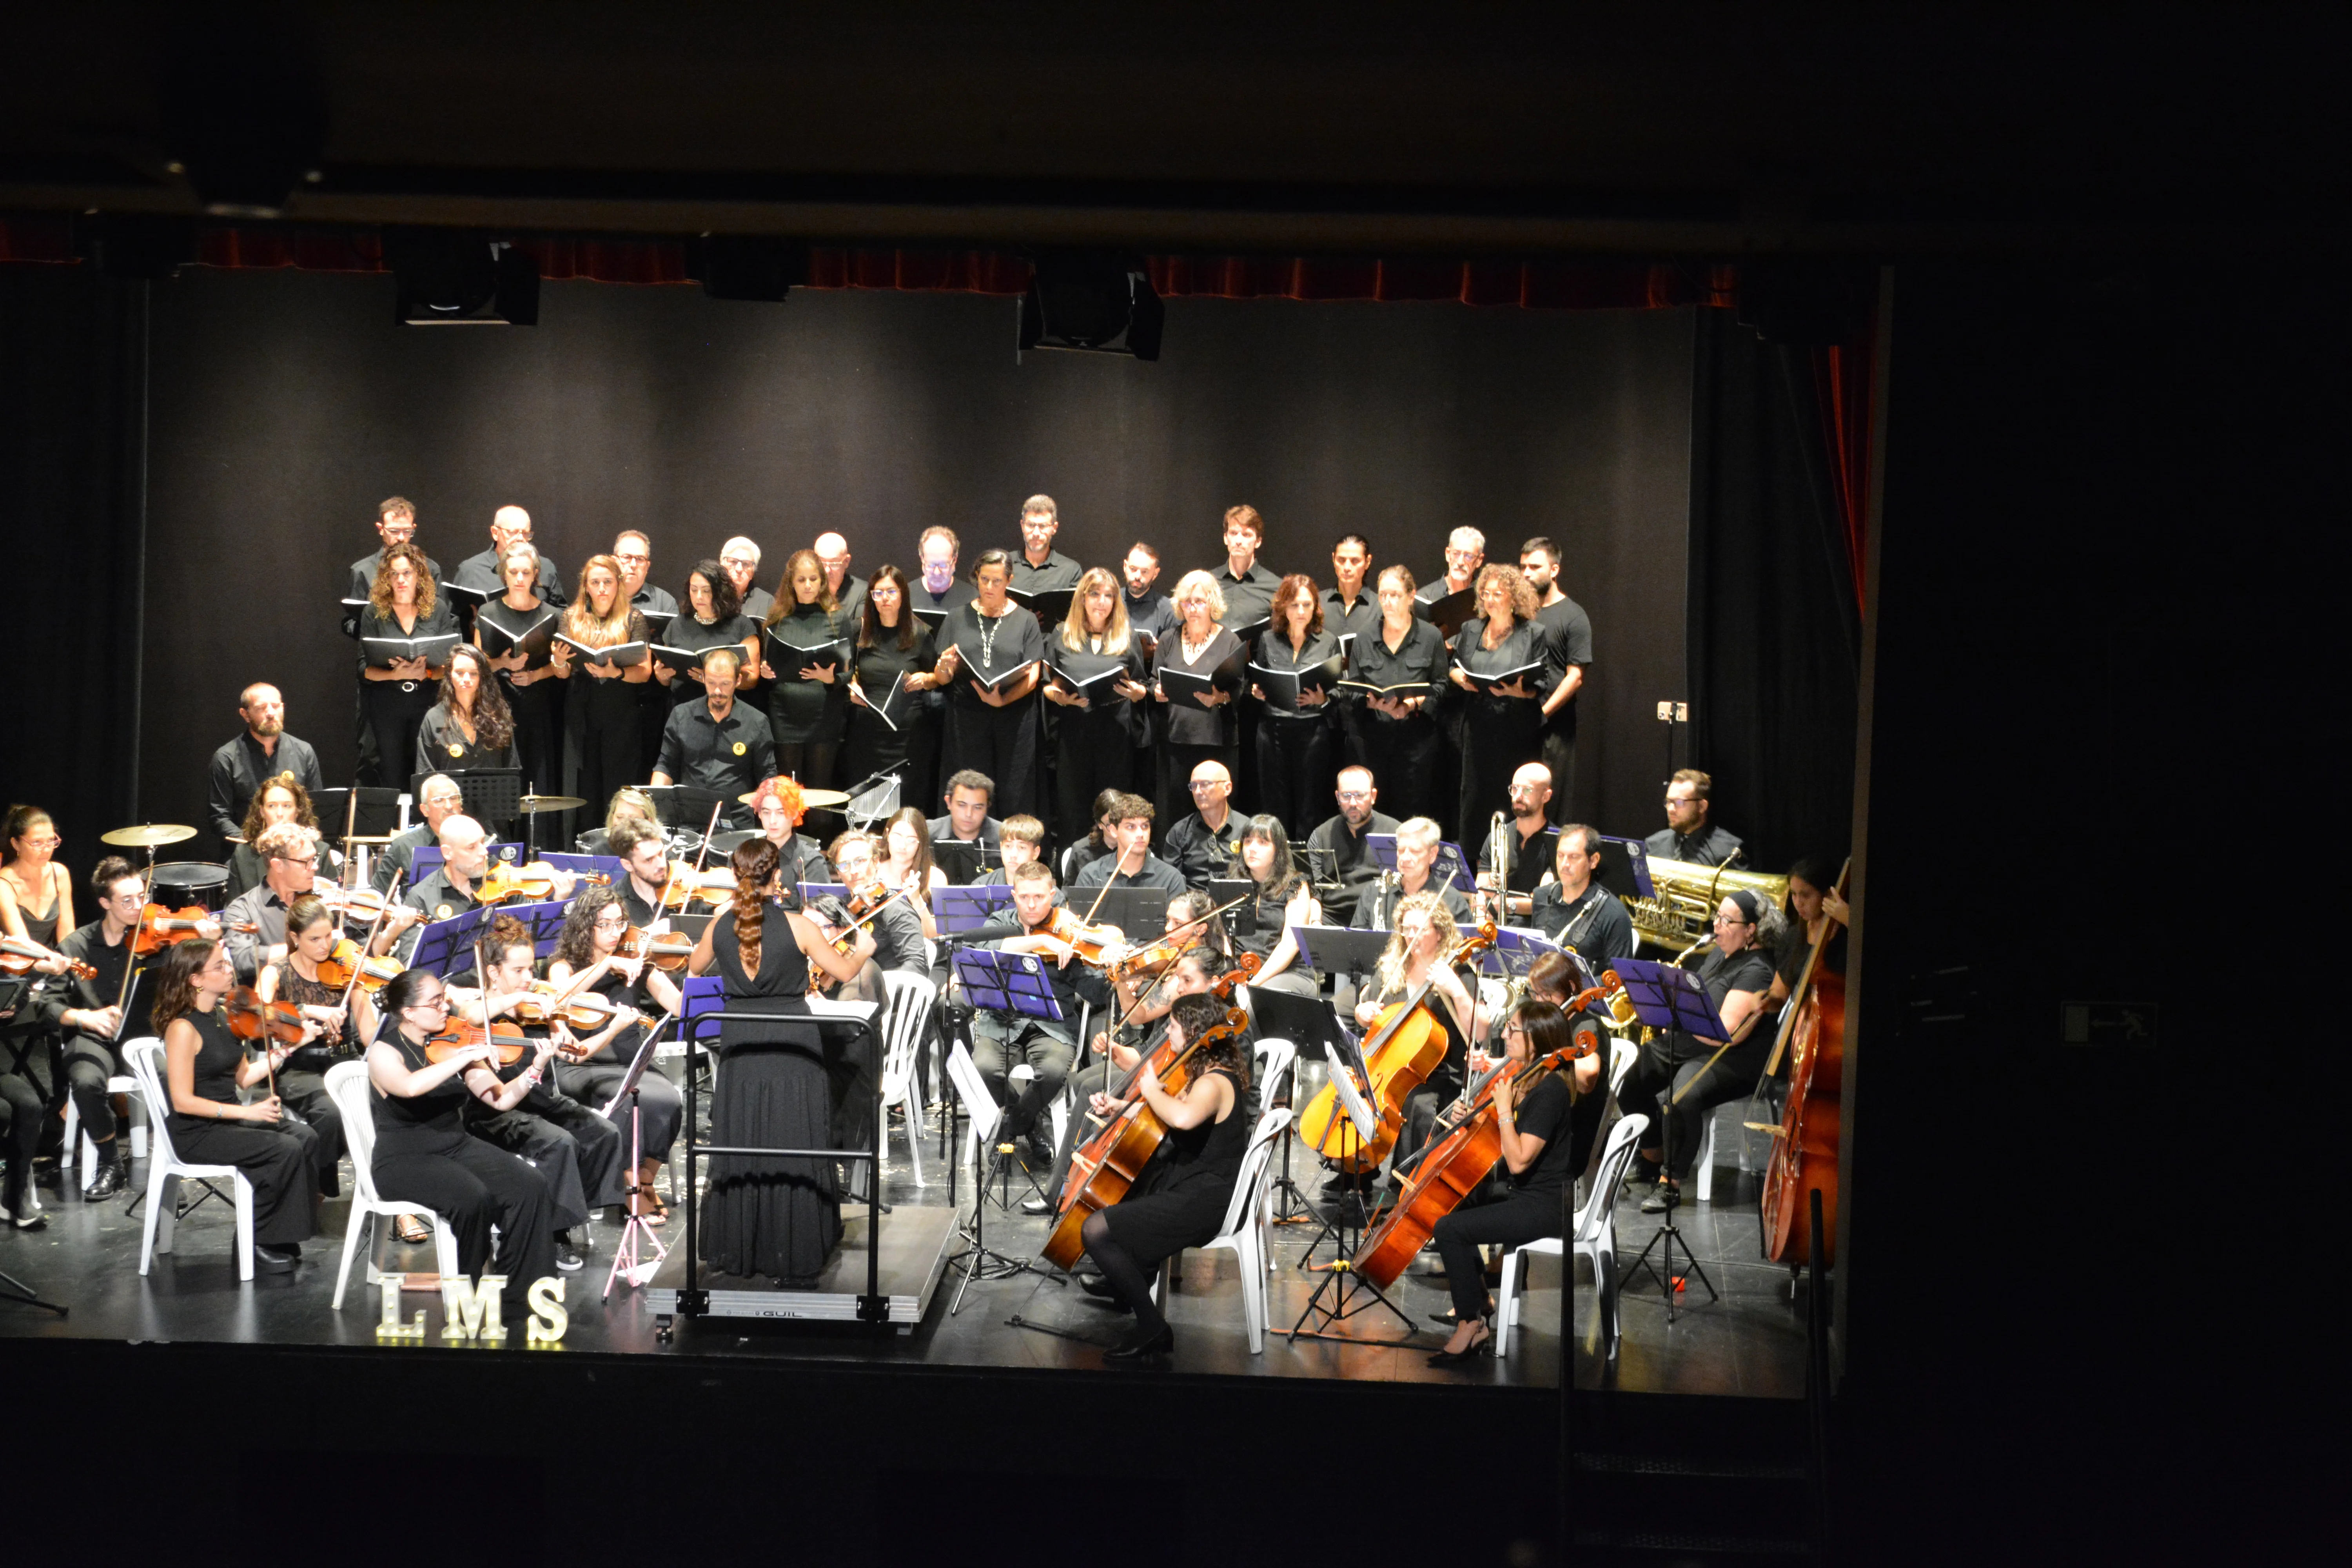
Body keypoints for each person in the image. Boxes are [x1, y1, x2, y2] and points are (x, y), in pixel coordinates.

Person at [678, 838, 875, 1282]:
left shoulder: (719, 926)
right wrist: (864, 946)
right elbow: (845, 972)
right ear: (778, 877)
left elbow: (694, 968)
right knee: (793, 1139)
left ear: (736, 876)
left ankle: (740, 1244)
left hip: (741, 1048)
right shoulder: (800, 926)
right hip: (793, 1047)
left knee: (745, 1138)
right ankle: (795, 1245)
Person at [365, 967, 558, 1323]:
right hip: (403, 1159)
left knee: (530, 1185)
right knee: (473, 1198)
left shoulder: (454, 1040)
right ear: (409, 1012)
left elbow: (500, 1099)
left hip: (456, 1145)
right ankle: (469, 1294)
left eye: (444, 999)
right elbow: (409, 1087)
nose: (446, 1007)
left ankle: (520, 1295)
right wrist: (464, 1058)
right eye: (436, 1002)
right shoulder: (384, 1051)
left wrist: (535, 1068)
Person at [1077, 989, 1254, 1362]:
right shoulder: (1202, 1074)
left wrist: (1149, 1088)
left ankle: (1152, 1326)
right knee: (1128, 1197)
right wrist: (1121, 1107)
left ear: (1192, 1032)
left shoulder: (1214, 1082)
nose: (1167, 1033)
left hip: (1207, 1199)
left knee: (1096, 1231)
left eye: (1172, 1026)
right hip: (1193, 1183)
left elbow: (1182, 1118)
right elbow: (1167, 1118)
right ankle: (1128, 1285)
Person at [1425, 998, 1589, 1364]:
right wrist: (1472, 1117)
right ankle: (1480, 1299)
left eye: (1513, 1029)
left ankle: (1470, 1324)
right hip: (1525, 1194)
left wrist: (1502, 1110)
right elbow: (1504, 1142)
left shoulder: (1550, 1091)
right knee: (1457, 1200)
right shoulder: (1531, 1079)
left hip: (1543, 1207)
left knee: (1449, 1229)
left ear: (1536, 1039)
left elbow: (1517, 1161)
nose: (1504, 1035)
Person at [465, 915, 625, 1272]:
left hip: (540, 1100)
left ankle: (565, 1213)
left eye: (531, 969)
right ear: (493, 973)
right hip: (496, 1112)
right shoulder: (478, 1007)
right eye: (518, 971)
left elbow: (574, 1054)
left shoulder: (540, 1006)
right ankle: (554, 1234)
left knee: (605, 1133)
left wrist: (610, 1028)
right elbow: (471, 1014)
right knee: (559, 1143)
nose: (529, 977)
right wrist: (521, 996)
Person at [1025, 942, 1229, 1218]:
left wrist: (1145, 1090)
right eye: (1178, 980)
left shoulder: (1218, 1027)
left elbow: (1186, 1092)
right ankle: (1068, 1189)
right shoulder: (1184, 1013)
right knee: (1087, 1084)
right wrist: (1113, 1049)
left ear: (1214, 982)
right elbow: (1146, 1056)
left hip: (1192, 1124)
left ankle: (1079, 1191)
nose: (1179, 988)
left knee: (1091, 1089)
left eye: (1187, 981)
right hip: (1166, 1092)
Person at [154, 939, 322, 1269]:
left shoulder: (223, 1017)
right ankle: (255, 1240)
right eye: (220, 966)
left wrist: (290, 1048)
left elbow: (245, 1078)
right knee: (284, 1148)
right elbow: (183, 1101)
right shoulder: (182, 1028)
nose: (229, 970)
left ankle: (281, 1234)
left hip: (228, 1122)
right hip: (198, 1132)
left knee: (306, 1137)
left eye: (227, 963)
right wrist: (248, 1112)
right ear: (196, 979)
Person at [1617, 891, 1782, 1210]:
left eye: (1726, 921)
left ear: (1751, 930)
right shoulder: (1721, 954)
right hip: (1693, 1042)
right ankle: (1653, 1155)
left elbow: (1727, 1033)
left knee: (1681, 1097)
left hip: (1730, 1057)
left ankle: (1670, 1183)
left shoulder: (1758, 969)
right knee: (1628, 1075)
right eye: (1717, 917)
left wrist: (1677, 1013)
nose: (1716, 926)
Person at [545, 886, 687, 1222]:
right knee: (629, 1102)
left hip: (631, 1064)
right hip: (583, 1066)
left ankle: (645, 1180)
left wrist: (694, 971)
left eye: (620, 923)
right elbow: (560, 996)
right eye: (605, 925)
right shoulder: (564, 966)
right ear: (586, 927)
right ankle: (627, 1186)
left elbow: (680, 1006)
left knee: (669, 1100)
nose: (615, 932)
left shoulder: (639, 964)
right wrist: (608, 964)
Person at [960, 859, 1109, 1167]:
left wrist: (1111, 972)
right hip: (1001, 1020)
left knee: (1053, 1072)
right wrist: (1040, 941)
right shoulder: (1000, 921)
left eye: (1039, 897)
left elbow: (1093, 992)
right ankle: (1032, 1127)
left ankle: (1009, 1130)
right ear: (1014, 895)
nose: (1031, 905)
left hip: (1052, 1024)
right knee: (984, 1069)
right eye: (1024, 897)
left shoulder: (1069, 931)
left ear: (1052, 894)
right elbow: (987, 950)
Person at [1352, 890, 1482, 1193]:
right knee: (1356, 1090)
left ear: (1440, 933)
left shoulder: (1456, 972)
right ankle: (1356, 1171)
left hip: (1437, 1074)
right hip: (1391, 1066)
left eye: (1420, 929)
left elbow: (1482, 1029)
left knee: (1418, 1104)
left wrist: (1457, 991)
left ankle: (1408, 1187)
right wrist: (1362, 1013)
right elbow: (1367, 1008)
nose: (1411, 936)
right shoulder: (1393, 967)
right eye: (1406, 928)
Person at [251, 893, 377, 1196]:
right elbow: (256, 1019)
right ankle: (317, 1189)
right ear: (295, 938)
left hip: (346, 1062)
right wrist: (306, 1010)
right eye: (314, 939)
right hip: (300, 1068)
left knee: (390, 1106)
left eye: (329, 937)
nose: (325, 946)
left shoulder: (346, 970)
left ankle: (393, 1198)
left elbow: (368, 1036)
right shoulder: (276, 973)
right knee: (331, 1114)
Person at [50, 857, 146, 1198]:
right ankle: (110, 1164)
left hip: (144, 1037)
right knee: (86, 1081)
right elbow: (49, 1004)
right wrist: (84, 1018)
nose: (138, 907)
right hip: (95, 1037)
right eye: (127, 901)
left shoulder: (154, 940)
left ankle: (174, 1163)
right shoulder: (76, 946)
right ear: (105, 903)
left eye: (142, 897)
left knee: (177, 1074)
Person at [1448, 562, 1562, 849]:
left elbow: (1542, 682)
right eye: (1485, 593)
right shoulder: (1471, 629)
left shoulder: (1532, 632)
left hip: (1515, 730)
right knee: (1475, 799)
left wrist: (1519, 692)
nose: (1491, 600)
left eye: (1498, 594)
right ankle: (1477, 862)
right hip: (1478, 729)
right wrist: (1460, 679)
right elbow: (1454, 667)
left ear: (1514, 597)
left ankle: (1514, 858)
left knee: (1511, 798)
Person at [1045, 566, 1153, 849]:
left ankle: (1115, 865)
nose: (1101, 602)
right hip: (1074, 733)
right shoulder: (1062, 633)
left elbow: (1142, 684)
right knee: (1072, 808)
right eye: (1095, 594)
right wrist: (1060, 698)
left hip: (1114, 734)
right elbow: (1047, 683)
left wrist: (1137, 693)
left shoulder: (1126, 635)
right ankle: (1072, 869)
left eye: (1108, 596)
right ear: (1083, 598)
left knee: (1114, 809)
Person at [934, 550, 1045, 819]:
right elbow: (942, 678)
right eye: (984, 579)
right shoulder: (957, 617)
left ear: (1009, 580)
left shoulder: (1026, 620)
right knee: (968, 788)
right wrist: (943, 668)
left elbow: (1033, 675)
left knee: (1013, 791)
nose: (989, 587)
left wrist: (1003, 700)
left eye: (997, 581)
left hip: (1013, 717)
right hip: (967, 717)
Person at [344, 498, 443, 786]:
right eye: (394, 531)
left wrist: (427, 669)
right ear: (381, 529)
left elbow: (440, 624)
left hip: (424, 691)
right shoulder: (363, 572)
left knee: (424, 765)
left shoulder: (431, 571)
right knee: (378, 763)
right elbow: (351, 629)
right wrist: (372, 628)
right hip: (382, 689)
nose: (401, 538)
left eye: (406, 532)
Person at [551, 554, 653, 827]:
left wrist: (614, 673)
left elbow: (645, 672)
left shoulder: (633, 618)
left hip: (619, 710)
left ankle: (620, 839)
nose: (602, 589)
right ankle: (584, 840)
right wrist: (559, 662)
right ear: (586, 586)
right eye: (595, 583)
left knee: (617, 782)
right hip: (581, 709)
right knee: (585, 785)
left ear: (618, 584)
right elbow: (562, 674)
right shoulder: (571, 617)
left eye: (608, 582)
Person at [1343, 566, 1449, 828]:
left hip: (1417, 744)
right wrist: (1370, 702)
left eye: (1395, 595)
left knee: (1413, 815)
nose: (1388, 602)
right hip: (1374, 742)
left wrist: (1412, 704)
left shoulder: (1431, 637)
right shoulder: (1365, 637)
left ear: (1411, 596)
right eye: (1383, 595)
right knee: (1377, 816)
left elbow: (1441, 687)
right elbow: (1352, 688)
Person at [358, 541, 459, 793]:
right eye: (394, 574)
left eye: (407, 573)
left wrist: (426, 672)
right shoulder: (373, 612)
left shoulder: (437, 609)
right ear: (386, 577)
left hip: (427, 702)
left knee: (426, 774)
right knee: (391, 775)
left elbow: (449, 665)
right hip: (387, 705)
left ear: (419, 575)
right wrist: (395, 674)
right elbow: (363, 668)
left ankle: (424, 819)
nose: (401, 580)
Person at [842, 564, 945, 799]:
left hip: (908, 735)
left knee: (905, 800)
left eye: (891, 592)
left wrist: (926, 679)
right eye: (878, 593)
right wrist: (852, 685)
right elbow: (844, 670)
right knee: (866, 800)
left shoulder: (921, 633)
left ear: (903, 595)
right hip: (867, 733)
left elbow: (937, 679)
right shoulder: (859, 630)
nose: (884, 598)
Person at [1251, 572, 1341, 841]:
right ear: (1283, 607)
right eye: (1294, 605)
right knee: (1274, 804)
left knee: (1310, 803)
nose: (1301, 611)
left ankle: (1307, 862)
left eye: (1307, 605)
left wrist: (1323, 700)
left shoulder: (1328, 641)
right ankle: (1276, 859)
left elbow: (1339, 689)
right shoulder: (1268, 639)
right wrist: (1257, 692)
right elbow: (1259, 678)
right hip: (1273, 729)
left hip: (1312, 730)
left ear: (1315, 607)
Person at [1151, 571, 1245, 827]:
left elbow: (1239, 689)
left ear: (1212, 603)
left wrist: (1220, 698)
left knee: (1215, 813)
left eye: (1200, 602)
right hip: (1175, 741)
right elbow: (1153, 679)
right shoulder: (1169, 639)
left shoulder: (1230, 641)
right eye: (1187, 602)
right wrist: (1156, 691)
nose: (1193, 608)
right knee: (1175, 813)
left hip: (1216, 741)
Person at [758, 547, 853, 791]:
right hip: (785, 715)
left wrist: (831, 678)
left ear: (822, 581)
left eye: (813, 579)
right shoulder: (777, 618)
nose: (808, 586)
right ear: (791, 582)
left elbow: (848, 671)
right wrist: (765, 671)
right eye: (801, 580)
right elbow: (769, 663)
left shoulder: (837, 619)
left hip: (824, 716)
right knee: (789, 793)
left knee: (820, 790)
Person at [473, 544, 563, 795]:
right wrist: (502, 663)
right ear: (505, 574)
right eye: (513, 572)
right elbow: (476, 664)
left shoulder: (552, 615)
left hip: (537, 704)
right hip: (498, 704)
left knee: (537, 776)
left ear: (536, 574)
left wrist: (535, 675)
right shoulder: (488, 611)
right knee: (502, 777)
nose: (520, 579)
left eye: (526, 572)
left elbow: (562, 669)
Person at [652, 648, 776, 826]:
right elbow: (666, 766)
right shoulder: (681, 715)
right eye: (711, 682)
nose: (718, 691)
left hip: (736, 820)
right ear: (703, 678)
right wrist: (654, 805)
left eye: (725, 683)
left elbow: (767, 775)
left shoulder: (756, 722)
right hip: (689, 818)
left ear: (738, 680)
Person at [1519, 536, 1592, 822]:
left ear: (1554, 570)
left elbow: (1575, 677)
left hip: (1554, 728)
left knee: (1549, 804)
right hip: (1517, 722)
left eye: (1535, 567)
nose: (1526, 573)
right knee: (1517, 801)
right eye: (1523, 567)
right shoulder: (1519, 614)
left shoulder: (1573, 616)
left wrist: (1543, 714)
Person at [206, 683, 325, 853]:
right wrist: (254, 845)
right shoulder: (226, 757)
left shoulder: (304, 751)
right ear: (245, 715)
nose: (270, 713)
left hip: (294, 852)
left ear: (282, 708)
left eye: (275, 706)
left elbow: (314, 808)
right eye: (261, 708)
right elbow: (219, 817)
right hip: (246, 851)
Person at [416, 645, 520, 826]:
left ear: (482, 677)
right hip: (448, 823)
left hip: (493, 822)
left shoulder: (498, 716)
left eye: (474, 674)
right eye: (460, 672)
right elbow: (426, 777)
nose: (466, 679)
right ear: (449, 675)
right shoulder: (434, 718)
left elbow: (511, 768)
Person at [224, 822, 328, 983]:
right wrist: (307, 946)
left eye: (314, 858)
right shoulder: (243, 909)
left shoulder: (323, 899)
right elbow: (244, 959)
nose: (315, 867)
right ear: (278, 865)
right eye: (306, 861)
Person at [655, 558, 763, 711]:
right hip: (683, 709)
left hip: (726, 710)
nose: (699, 596)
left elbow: (752, 678)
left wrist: (713, 680)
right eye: (694, 590)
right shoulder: (677, 624)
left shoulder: (741, 625)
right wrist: (662, 676)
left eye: (706, 591)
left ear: (720, 592)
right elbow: (667, 680)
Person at [1528, 825, 1636, 976]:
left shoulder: (1614, 913)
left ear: (1594, 861)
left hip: (1586, 991)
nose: (1565, 865)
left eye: (1574, 857)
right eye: (1560, 855)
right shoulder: (1541, 897)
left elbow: (1618, 978)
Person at [1230, 815, 1321, 996]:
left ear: (1278, 850)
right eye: (1248, 842)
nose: (1252, 849)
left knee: (1259, 999)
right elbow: (1224, 936)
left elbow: (1290, 945)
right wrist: (1229, 974)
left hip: (1288, 972)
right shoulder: (1232, 882)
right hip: (1241, 971)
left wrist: (1253, 984)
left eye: (1263, 843)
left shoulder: (1295, 885)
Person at [225, 773, 348, 902]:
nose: (280, 814)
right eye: (272, 806)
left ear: (297, 811)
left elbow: (333, 902)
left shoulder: (320, 851)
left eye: (287, 806)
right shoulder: (243, 855)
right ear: (262, 812)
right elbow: (234, 906)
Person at [1304, 766, 1399, 928]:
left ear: (1373, 796)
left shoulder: (1396, 832)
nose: (1353, 803)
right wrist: (1315, 922)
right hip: (1332, 919)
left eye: (1360, 795)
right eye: (1346, 796)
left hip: (1379, 917)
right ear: (1337, 797)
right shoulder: (1321, 835)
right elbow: (1314, 891)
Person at [1349, 815, 1475, 933]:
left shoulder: (1453, 901)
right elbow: (1355, 943)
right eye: (1401, 850)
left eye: (1415, 852)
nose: (1405, 858)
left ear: (1433, 855)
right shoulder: (1374, 892)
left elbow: (1461, 946)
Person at [828, 831, 927, 975]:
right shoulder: (845, 911)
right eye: (844, 865)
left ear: (876, 862)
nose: (854, 871)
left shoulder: (896, 908)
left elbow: (917, 965)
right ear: (838, 873)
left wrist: (880, 982)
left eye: (860, 861)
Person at [1474, 762, 1560, 924]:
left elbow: (1542, 900)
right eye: (1514, 788)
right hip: (1495, 925)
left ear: (1546, 796)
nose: (1518, 796)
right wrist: (1480, 918)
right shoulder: (1496, 836)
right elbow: (1482, 889)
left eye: (1527, 790)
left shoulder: (1558, 842)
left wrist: (1506, 905)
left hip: (1535, 928)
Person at [1323, 534, 1381, 769]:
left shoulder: (1379, 606)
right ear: (1333, 560)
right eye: (1342, 560)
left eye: (1355, 561)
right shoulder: (1317, 604)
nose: (1347, 567)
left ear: (1368, 562)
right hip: (1324, 709)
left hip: (1364, 711)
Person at [1768, 856, 1850, 1007]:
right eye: (1794, 894)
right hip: (1803, 1020)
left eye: (1805, 895)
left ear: (1828, 895)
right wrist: (1764, 1001)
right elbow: (1780, 995)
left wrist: (1850, 920)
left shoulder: (1849, 936)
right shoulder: (1793, 937)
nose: (1798, 903)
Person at [1071, 793, 1187, 897]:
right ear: (1114, 831)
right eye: (1131, 827)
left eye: (1145, 826)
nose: (1140, 834)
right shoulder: (1091, 876)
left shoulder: (1171, 879)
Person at [452, 504, 564, 608]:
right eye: (512, 532)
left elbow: (561, 614)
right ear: (495, 533)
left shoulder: (545, 567)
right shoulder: (471, 570)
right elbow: (455, 617)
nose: (520, 538)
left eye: (526, 533)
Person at [2, 804, 75, 962]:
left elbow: (67, 934)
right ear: (16, 844)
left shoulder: (60, 873)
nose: (47, 849)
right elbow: (23, 944)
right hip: (17, 966)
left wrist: (71, 962)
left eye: (51, 841)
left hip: (53, 963)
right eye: (37, 843)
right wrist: (54, 959)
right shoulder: (4, 885)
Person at [372, 773, 466, 894]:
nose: (449, 806)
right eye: (439, 800)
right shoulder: (403, 847)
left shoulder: (482, 843)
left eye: (453, 798)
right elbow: (378, 895)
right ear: (425, 810)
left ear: (461, 805)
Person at [1163, 759, 1241, 890]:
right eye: (1194, 786)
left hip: (1237, 899)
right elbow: (1172, 883)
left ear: (1227, 788)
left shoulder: (1247, 829)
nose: (1198, 792)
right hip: (1193, 901)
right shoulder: (1180, 832)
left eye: (1205, 784)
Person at [1646, 768, 1746, 868]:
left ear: (1702, 806)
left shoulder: (1729, 851)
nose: (1671, 809)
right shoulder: (1653, 845)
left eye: (1679, 802)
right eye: (1669, 802)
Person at [747, 775, 836, 887]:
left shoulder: (811, 862)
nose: (772, 821)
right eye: (766, 813)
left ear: (794, 813)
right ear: (759, 814)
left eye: (781, 813)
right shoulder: (747, 855)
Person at [877, 807, 948, 940]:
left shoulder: (936, 877)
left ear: (920, 842)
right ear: (888, 835)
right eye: (897, 837)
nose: (903, 846)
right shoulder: (873, 872)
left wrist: (917, 900)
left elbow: (934, 937)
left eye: (911, 840)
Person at [1008, 494, 1083, 598]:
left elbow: (1078, 607)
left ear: (1054, 528)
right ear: (1022, 526)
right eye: (1031, 525)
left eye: (1043, 526)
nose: (1036, 533)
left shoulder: (1071, 571)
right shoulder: (1004, 564)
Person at [928, 769, 1003, 865]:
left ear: (988, 807)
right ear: (948, 802)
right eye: (962, 805)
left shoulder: (1006, 838)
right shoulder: (925, 834)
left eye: (978, 808)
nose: (969, 814)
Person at [1060, 789, 1127, 887]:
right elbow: (1070, 893)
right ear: (1100, 824)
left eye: (1121, 822)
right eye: (1110, 824)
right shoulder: (1081, 851)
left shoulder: (1136, 848)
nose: (1117, 829)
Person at [575, 784, 658, 858]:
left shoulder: (659, 852)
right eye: (620, 817)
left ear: (649, 822)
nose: (624, 823)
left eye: (633, 819)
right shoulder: (600, 851)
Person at [813, 530, 869, 628]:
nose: (827, 571)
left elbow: (861, 631)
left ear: (847, 561)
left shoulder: (862, 592)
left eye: (834, 564)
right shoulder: (806, 589)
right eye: (821, 562)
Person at [973, 814, 1047, 886]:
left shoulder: (1047, 890)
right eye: (1008, 846)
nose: (1013, 855)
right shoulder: (981, 885)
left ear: (1036, 853)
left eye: (1022, 847)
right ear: (1001, 847)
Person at [720, 537, 773, 621]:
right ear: (722, 565)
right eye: (733, 562)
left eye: (746, 564)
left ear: (753, 573)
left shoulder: (767, 602)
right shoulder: (709, 596)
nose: (739, 569)